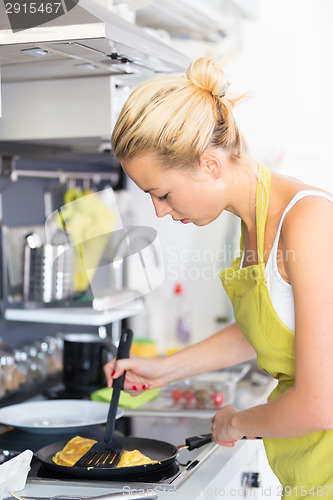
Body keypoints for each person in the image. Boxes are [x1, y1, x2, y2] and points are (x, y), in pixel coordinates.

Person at [105, 56, 333, 498]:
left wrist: (236, 423)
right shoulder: (247, 222)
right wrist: (164, 371)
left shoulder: (307, 222)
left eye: (163, 193)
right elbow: (267, 328)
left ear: (210, 164)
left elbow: (320, 403)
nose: (159, 211)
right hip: (309, 469)